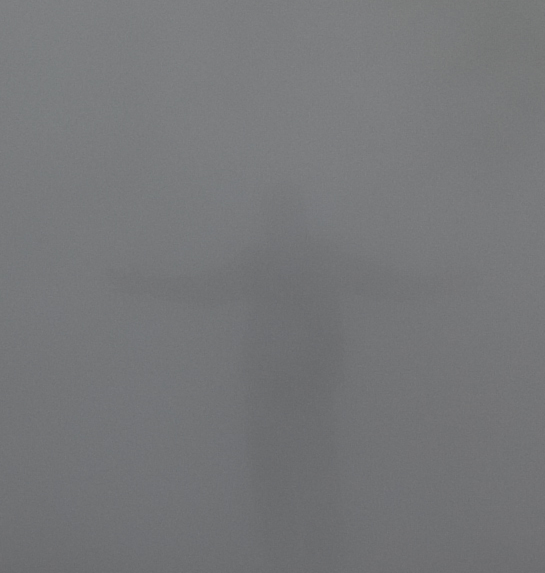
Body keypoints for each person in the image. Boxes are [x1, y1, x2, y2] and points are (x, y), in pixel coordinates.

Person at [118, 190, 426, 553]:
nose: (275, 225)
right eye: (274, 217)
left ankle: (308, 562)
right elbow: (204, 290)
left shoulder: (290, 261)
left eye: (280, 217)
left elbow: (383, 283)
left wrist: (148, 286)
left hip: (300, 383)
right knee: (288, 475)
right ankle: (296, 563)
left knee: (300, 475)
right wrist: (148, 285)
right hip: (285, 383)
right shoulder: (283, 261)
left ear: (291, 219)